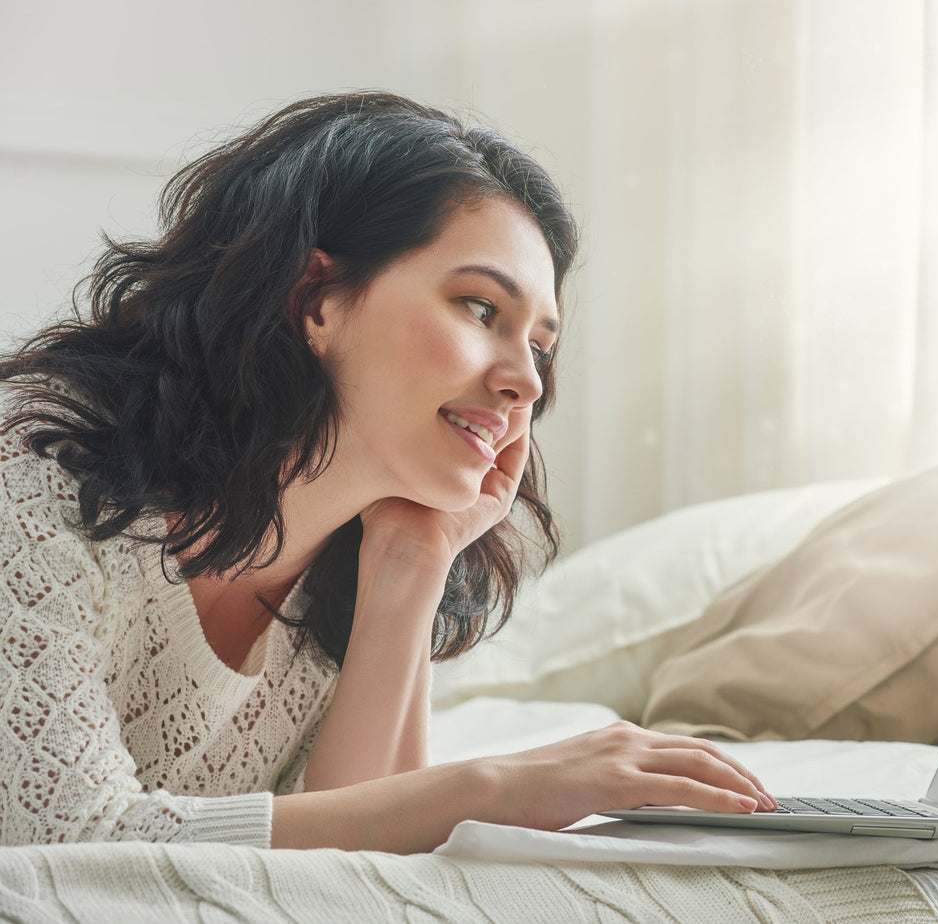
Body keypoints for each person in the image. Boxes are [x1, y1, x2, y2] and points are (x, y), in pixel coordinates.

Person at [0, 91, 774, 853]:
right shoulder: (31, 470)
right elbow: (65, 839)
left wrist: (409, 565)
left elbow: (348, 864)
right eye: (479, 309)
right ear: (317, 299)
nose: (528, 383)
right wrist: (497, 788)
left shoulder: (342, 568)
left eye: (539, 344)